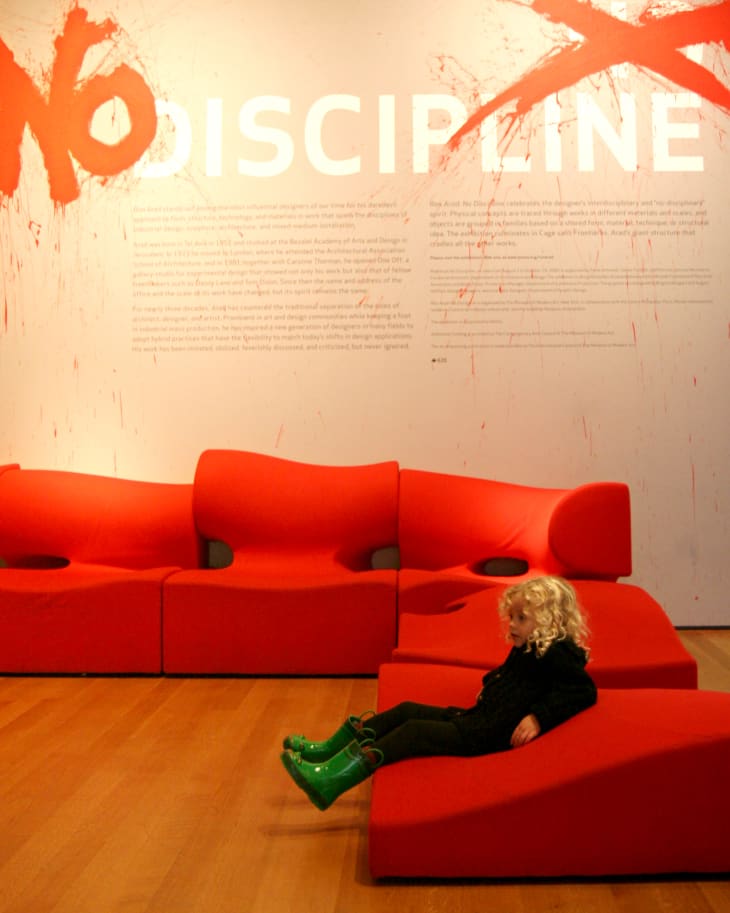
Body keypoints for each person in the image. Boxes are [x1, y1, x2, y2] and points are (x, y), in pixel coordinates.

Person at [280, 575, 597, 810]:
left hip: (484, 735)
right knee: (405, 710)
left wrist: (538, 717)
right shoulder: (529, 646)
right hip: (478, 719)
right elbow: (516, 680)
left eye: (521, 618)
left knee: (415, 731)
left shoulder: (556, 653)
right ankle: (328, 752)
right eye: (511, 617)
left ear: (547, 620)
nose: (511, 625)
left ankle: (332, 780)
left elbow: (583, 690)